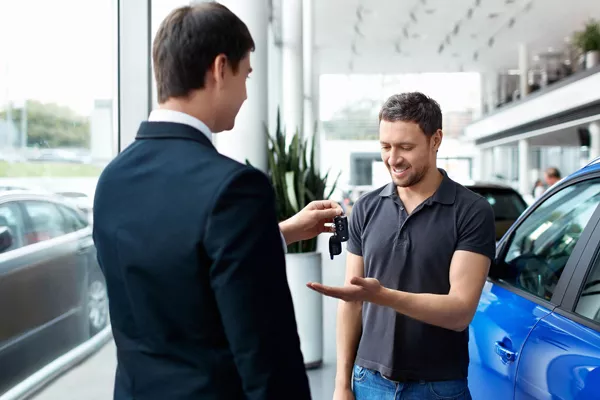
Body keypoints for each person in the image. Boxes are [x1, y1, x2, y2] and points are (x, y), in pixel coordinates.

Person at [92, 3, 342, 400]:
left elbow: (179, 264)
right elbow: (268, 357)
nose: (246, 93)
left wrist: (280, 232)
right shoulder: (236, 188)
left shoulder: (113, 179)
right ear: (220, 68)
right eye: (246, 75)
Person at [307, 92, 496, 400]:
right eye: (385, 146)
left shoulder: (471, 211)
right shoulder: (366, 207)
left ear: (436, 140)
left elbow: (460, 311)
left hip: (437, 387)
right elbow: (353, 302)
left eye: (406, 147)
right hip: (367, 380)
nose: (393, 159)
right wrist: (342, 385)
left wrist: (383, 296)